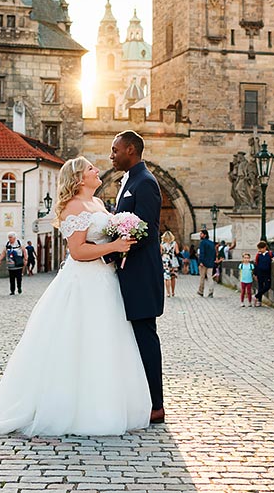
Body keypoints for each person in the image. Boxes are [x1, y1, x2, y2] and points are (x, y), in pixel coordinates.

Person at [0, 156, 148, 435]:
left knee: (105, 339)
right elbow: (79, 252)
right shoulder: (74, 207)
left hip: (105, 280)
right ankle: (72, 407)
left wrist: (122, 240)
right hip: (84, 282)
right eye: (91, 169)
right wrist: (115, 245)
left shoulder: (98, 204)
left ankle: (107, 402)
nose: (97, 171)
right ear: (80, 178)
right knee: (77, 339)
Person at [109, 130, 166, 425]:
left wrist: (113, 250)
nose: (111, 155)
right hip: (127, 271)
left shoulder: (145, 182)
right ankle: (138, 398)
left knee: (145, 337)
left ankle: (156, 404)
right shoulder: (128, 181)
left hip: (141, 272)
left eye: (115, 150)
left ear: (131, 150)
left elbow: (146, 231)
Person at [252, 240, 274, 307]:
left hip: (267, 273)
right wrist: (255, 274)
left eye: (261, 248)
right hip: (260, 273)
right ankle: (259, 301)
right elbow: (256, 265)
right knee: (260, 286)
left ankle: (256, 296)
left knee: (267, 286)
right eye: (259, 249)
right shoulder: (258, 255)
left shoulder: (270, 254)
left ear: (265, 247)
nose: (260, 250)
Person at [196, 230, 216, 298]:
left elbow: (202, 252)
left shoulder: (202, 243)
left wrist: (201, 261)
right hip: (210, 262)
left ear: (204, 235)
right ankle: (211, 292)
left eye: (201, 234)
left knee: (202, 277)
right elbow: (214, 253)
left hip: (203, 263)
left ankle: (201, 291)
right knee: (210, 277)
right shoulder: (211, 243)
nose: (200, 235)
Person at [160, 231, 179, 298]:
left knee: (167, 277)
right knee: (173, 276)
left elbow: (160, 253)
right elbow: (177, 252)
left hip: (165, 260)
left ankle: (168, 293)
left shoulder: (162, 244)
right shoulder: (174, 243)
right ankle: (173, 292)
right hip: (173, 260)